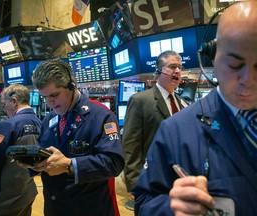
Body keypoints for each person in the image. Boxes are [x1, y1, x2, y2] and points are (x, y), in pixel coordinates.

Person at [133, 1, 257, 215]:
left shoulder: (181, 104)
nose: (248, 80)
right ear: (212, 56)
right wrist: (170, 208)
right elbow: (144, 203)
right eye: (235, 65)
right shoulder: (174, 130)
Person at [28, 59, 124, 216]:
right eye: (44, 97)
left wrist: (69, 165)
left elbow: (114, 163)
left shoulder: (101, 116)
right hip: (55, 208)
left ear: (72, 85)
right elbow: (44, 153)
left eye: (54, 95)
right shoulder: (49, 119)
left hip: (90, 208)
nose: (49, 102)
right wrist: (32, 163)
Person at [122, 50, 188, 210]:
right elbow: (130, 146)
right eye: (172, 67)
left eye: (180, 67)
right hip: (151, 181)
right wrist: (135, 184)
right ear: (159, 71)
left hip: (179, 181)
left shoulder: (183, 103)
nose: (177, 71)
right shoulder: (140, 101)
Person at [0, 84, 42, 216]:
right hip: (26, 192)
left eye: (4, 104)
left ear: (14, 101)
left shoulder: (8, 125)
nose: (3, 109)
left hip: (4, 197)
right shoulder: (39, 123)